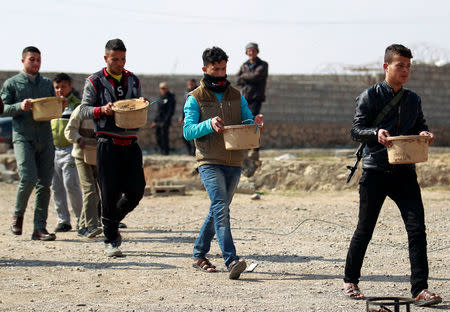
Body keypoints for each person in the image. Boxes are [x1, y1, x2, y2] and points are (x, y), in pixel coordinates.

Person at [343, 44, 442, 307]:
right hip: (375, 171)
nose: (406, 70)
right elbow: (356, 130)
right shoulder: (370, 95)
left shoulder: (413, 99)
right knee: (365, 229)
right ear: (387, 66)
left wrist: (424, 134)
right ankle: (350, 280)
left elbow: (420, 125)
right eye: (401, 65)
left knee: (417, 230)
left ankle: (420, 289)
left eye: (409, 66)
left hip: (405, 171)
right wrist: (376, 133)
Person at [183, 46, 264, 279]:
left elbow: (246, 119)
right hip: (209, 160)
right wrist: (209, 124)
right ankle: (231, 260)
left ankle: (199, 253)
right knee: (220, 206)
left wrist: (254, 123)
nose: (220, 73)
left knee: (219, 208)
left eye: (223, 68)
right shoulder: (195, 98)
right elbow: (188, 131)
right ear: (205, 69)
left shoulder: (236, 95)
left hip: (234, 160)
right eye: (215, 69)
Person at [79, 38, 146, 257]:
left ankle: (111, 220)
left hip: (131, 142)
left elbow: (136, 102)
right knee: (109, 193)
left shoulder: (133, 80)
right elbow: (84, 110)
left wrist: (142, 102)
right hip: (107, 143)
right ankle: (111, 239)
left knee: (136, 190)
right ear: (106, 58)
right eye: (115, 59)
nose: (119, 63)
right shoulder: (95, 81)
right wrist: (102, 110)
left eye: (123, 59)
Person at [1, 46, 60, 241]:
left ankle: (39, 228)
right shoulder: (12, 84)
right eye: (32, 59)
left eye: (38, 60)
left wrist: (59, 104)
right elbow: (3, 108)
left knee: (44, 183)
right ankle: (18, 215)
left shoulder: (46, 83)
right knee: (28, 177)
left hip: (45, 137)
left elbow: (52, 107)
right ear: (23, 61)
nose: (35, 63)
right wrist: (20, 106)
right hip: (23, 137)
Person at [64, 101, 102, 239]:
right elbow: (69, 130)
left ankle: (81, 226)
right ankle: (91, 226)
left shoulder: (105, 110)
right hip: (81, 155)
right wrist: (79, 139)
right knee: (89, 189)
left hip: (97, 154)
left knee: (96, 192)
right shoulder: (81, 110)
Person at [51, 73, 83, 233]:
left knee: (71, 184)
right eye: (57, 87)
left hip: (70, 149)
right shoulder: (50, 104)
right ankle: (63, 219)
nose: (60, 90)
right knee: (56, 186)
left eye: (63, 86)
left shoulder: (77, 104)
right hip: (53, 149)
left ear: (70, 86)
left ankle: (80, 219)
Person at [236, 42, 268, 163]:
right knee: (243, 123)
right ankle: (245, 148)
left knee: (253, 122)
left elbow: (256, 77)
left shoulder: (263, 65)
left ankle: (255, 150)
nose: (251, 53)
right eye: (249, 51)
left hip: (255, 98)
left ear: (257, 52)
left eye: (253, 50)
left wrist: (245, 77)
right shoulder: (244, 65)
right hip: (245, 98)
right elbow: (237, 79)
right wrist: (246, 77)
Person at [151, 82, 176, 155]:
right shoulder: (161, 97)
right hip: (159, 120)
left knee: (164, 135)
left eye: (164, 88)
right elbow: (158, 111)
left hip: (165, 120)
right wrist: (155, 121)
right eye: (161, 88)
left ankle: (165, 151)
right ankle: (161, 150)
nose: (162, 90)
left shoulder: (171, 98)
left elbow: (170, 111)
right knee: (158, 135)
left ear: (167, 89)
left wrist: (165, 121)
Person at [178, 79, 197, 156]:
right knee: (184, 136)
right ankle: (190, 152)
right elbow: (185, 106)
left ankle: (193, 153)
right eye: (188, 84)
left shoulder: (197, 92)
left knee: (194, 136)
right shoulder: (187, 92)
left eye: (191, 84)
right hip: (187, 116)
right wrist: (182, 117)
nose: (189, 85)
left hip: (195, 116)